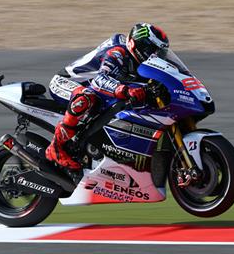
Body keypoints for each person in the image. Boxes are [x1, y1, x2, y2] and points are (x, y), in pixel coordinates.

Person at [46, 23, 170, 170]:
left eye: (160, 53)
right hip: (67, 82)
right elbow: (100, 81)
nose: (155, 56)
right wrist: (124, 90)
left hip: (95, 90)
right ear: (139, 46)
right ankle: (56, 147)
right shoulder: (118, 52)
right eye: (152, 51)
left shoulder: (141, 63)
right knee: (86, 98)